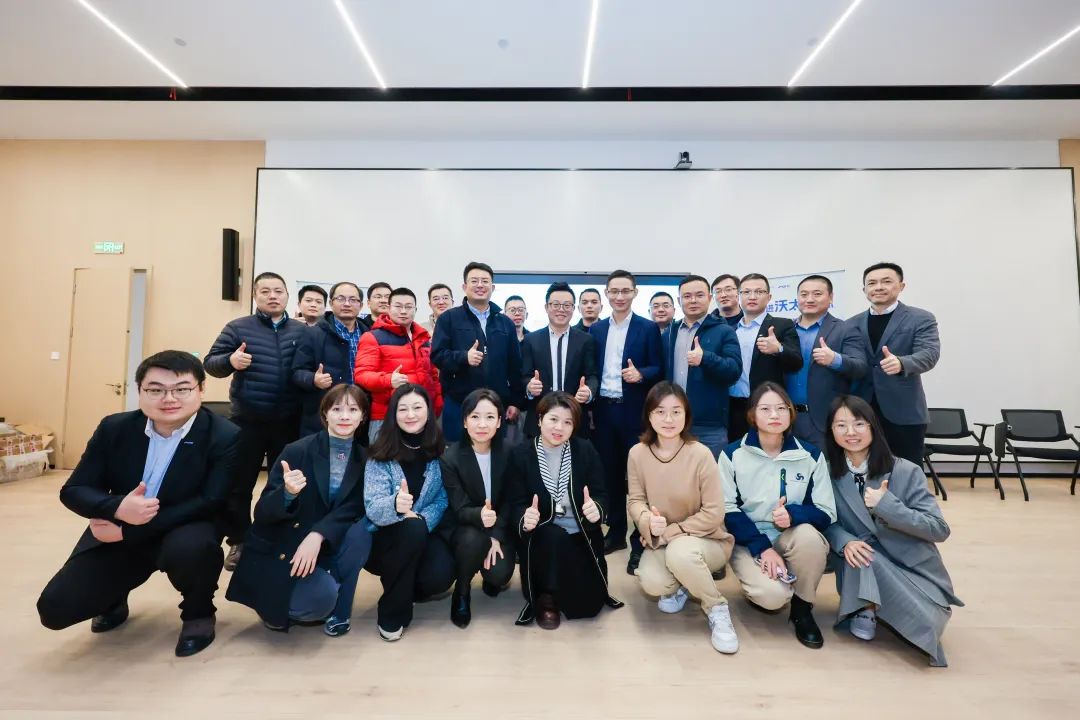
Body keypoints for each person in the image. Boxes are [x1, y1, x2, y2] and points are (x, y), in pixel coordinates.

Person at [37, 351, 240, 657]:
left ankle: (198, 613)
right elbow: (75, 489)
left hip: (184, 526)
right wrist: (117, 507)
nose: (169, 398)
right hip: (120, 525)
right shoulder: (115, 428)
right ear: (140, 391)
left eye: (182, 389)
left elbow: (211, 501)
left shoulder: (225, 435)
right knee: (55, 609)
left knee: (193, 549)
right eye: (155, 389)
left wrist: (129, 530)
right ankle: (113, 598)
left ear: (201, 390)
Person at [823, 395, 962, 666]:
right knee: (861, 553)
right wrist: (845, 541)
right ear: (831, 431)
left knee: (927, 624)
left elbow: (939, 529)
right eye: (841, 425)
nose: (850, 432)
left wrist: (887, 506)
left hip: (910, 565)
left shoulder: (906, 470)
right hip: (862, 561)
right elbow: (824, 521)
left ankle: (877, 605)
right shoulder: (827, 473)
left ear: (873, 427)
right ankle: (865, 607)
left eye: (859, 424)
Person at [227, 384, 372, 637]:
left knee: (363, 532)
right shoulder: (297, 450)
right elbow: (262, 512)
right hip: (287, 545)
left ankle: (338, 601)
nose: (344, 416)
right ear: (325, 413)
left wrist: (318, 534)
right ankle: (278, 602)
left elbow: (353, 507)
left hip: (324, 543)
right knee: (313, 602)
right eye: (337, 409)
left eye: (353, 410)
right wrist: (287, 494)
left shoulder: (365, 458)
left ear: (363, 416)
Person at [719, 381, 836, 649]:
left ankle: (802, 609)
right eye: (766, 409)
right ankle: (777, 582)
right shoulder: (732, 454)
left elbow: (827, 512)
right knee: (772, 597)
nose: (775, 415)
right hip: (748, 541)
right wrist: (762, 548)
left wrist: (794, 515)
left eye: (782, 408)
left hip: (790, 536)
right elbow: (727, 509)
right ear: (752, 415)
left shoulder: (810, 455)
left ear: (791, 413)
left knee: (810, 539)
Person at [204, 271, 307, 571]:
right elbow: (211, 363)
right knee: (240, 485)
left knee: (282, 483)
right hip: (247, 421)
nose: (272, 296)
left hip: (288, 422)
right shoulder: (238, 327)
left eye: (278, 291)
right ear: (255, 296)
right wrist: (230, 361)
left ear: (287, 295)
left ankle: (274, 536)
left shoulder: (301, 331)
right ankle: (239, 540)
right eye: (265, 291)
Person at [627, 382, 738, 654]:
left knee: (681, 553)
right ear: (649, 415)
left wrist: (669, 533)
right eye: (660, 411)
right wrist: (647, 521)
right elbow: (635, 500)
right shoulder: (637, 454)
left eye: (676, 412)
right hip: (664, 541)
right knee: (652, 582)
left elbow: (714, 512)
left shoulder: (700, 454)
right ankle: (685, 584)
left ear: (686, 416)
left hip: (707, 540)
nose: (668, 419)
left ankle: (716, 607)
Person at [507, 392, 622, 629]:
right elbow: (516, 503)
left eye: (567, 422)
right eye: (553, 419)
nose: (559, 428)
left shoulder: (585, 450)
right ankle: (546, 597)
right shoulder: (521, 455)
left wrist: (596, 509)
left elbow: (601, 493)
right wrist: (525, 518)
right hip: (543, 539)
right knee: (553, 536)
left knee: (589, 607)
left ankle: (565, 588)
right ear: (540, 419)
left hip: (581, 534)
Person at [363, 384, 455, 641]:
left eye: (417, 407)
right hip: (383, 537)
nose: (411, 414)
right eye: (403, 409)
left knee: (441, 574)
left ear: (429, 411)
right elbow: (372, 507)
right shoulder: (380, 453)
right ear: (393, 414)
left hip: (422, 530)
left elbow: (441, 499)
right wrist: (396, 506)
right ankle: (392, 612)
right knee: (411, 528)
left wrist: (422, 519)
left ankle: (405, 587)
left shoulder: (439, 451)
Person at [590, 269, 663, 566]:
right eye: (614, 291)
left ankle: (640, 538)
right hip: (604, 411)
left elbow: (659, 368)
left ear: (635, 293)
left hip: (634, 411)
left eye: (625, 291)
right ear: (606, 294)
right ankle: (617, 531)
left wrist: (641, 374)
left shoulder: (648, 328)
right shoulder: (596, 330)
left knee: (638, 476)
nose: (620, 296)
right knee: (610, 474)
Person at [849, 262, 941, 466]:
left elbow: (929, 353)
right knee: (864, 468)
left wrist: (902, 362)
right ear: (864, 290)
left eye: (886, 281)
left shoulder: (920, 318)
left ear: (901, 286)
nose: (878, 287)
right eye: (872, 283)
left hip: (904, 410)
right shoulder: (851, 323)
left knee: (906, 470)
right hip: (861, 409)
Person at [440, 389, 516, 628]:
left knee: (499, 575)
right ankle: (462, 592)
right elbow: (459, 507)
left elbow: (512, 500)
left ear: (499, 421)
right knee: (473, 541)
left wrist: (495, 535)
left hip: (499, 525)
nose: (482, 424)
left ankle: (489, 578)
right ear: (464, 421)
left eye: (490, 417)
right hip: (466, 527)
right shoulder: (450, 458)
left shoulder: (510, 452)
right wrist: (480, 517)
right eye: (475, 417)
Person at [431, 261, 524, 443]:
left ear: (493, 287)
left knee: (496, 453)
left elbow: (515, 365)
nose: (480, 285)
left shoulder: (505, 322)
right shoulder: (449, 319)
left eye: (485, 281)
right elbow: (437, 355)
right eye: (474, 281)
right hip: (459, 404)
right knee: (457, 453)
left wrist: (515, 401)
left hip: (496, 405)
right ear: (464, 287)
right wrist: (463, 357)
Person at [784, 275, 868, 448]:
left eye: (817, 294)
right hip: (786, 418)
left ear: (831, 297)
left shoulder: (846, 329)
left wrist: (835, 359)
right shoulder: (785, 329)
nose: (809, 299)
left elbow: (860, 367)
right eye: (804, 294)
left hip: (824, 419)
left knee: (826, 465)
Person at [665, 275, 742, 459]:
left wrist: (706, 358)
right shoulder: (670, 332)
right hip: (672, 421)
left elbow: (734, 371)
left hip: (709, 426)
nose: (693, 300)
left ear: (709, 298)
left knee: (710, 475)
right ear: (679, 300)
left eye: (699, 295)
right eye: (687, 296)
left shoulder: (724, 331)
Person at [355, 287, 442, 442]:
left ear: (415, 309)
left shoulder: (423, 338)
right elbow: (361, 375)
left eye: (408, 307)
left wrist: (437, 403)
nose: (403, 311)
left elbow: (433, 375)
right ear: (388, 308)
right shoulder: (372, 337)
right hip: (386, 415)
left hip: (421, 415)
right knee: (384, 456)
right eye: (398, 306)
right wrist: (388, 380)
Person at [727, 273, 802, 440]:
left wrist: (779, 349)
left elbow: (797, 363)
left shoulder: (782, 325)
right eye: (746, 292)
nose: (752, 296)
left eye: (759, 292)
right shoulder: (730, 330)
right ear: (739, 296)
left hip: (767, 406)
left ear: (769, 297)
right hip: (733, 407)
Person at [521, 282, 598, 438]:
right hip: (539, 417)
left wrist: (589, 391)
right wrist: (529, 386)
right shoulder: (531, 340)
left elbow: (592, 375)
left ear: (573, 308)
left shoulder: (586, 340)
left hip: (574, 417)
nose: (561, 309)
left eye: (567, 305)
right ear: (546, 307)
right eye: (556, 304)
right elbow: (523, 376)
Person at [292, 281, 367, 437]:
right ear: (331, 303)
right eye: (341, 298)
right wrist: (313, 379)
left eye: (353, 300)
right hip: (324, 413)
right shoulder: (313, 333)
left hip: (360, 412)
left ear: (361, 305)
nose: (347, 304)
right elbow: (297, 372)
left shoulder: (369, 334)